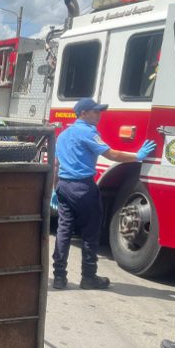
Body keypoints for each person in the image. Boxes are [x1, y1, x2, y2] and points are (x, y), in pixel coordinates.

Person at [51, 98, 156, 290]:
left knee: (64, 231)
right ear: (83, 113)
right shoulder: (88, 133)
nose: (99, 115)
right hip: (83, 188)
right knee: (90, 233)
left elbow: (56, 164)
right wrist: (137, 156)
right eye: (95, 111)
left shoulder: (63, 135)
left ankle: (59, 276)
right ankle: (89, 277)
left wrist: (54, 188)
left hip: (64, 187)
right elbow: (111, 155)